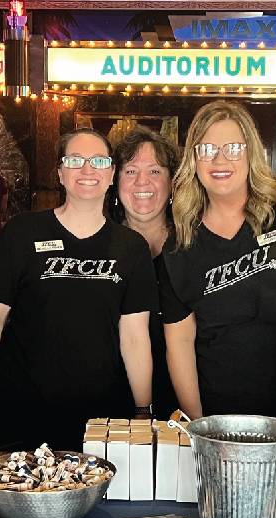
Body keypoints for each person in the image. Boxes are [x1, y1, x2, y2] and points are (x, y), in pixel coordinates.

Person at [0, 128, 156, 449]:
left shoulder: (131, 247)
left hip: (102, 423)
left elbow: (134, 337)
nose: (87, 170)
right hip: (23, 413)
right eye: (75, 160)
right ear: (61, 173)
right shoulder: (23, 233)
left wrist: (143, 412)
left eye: (98, 161)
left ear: (112, 173)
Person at [159, 101, 276, 420]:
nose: (219, 159)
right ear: (194, 160)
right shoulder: (180, 245)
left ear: (251, 153)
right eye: (207, 149)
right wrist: (198, 424)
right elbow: (181, 344)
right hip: (219, 418)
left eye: (232, 147)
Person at [109, 126, 180, 419]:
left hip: (184, 398)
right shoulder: (97, 246)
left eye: (154, 171)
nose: (142, 182)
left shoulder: (193, 245)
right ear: (114, 180)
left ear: (172, 181)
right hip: (110, 401)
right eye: (130, 171)